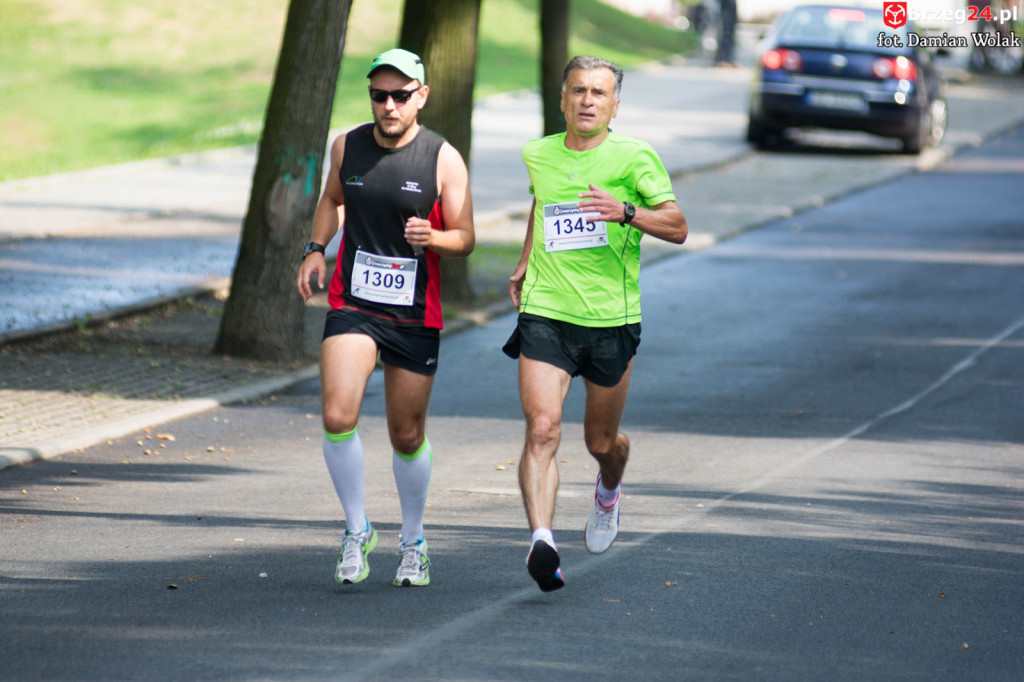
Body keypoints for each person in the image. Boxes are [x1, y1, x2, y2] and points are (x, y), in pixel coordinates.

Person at [503, 55, 687, 592]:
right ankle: (542, 539)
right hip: (547, 309)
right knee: (542, 428)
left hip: (611, 319)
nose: (587, 100)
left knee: (600, 443)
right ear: (562, 99)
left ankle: (609, 489)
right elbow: (546, 203)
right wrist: (524, 258)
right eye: (578, 90)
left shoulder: (635, 157)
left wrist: (626, 212)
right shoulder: (538, 153)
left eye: (598, 93)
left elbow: (677, 227)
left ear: (614, 105)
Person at [296, 48, 475, 587]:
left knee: (405, 432)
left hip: (415, 313)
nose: (390, 105)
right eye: (380, 95)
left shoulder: (443, 157)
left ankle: (414, 539)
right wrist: (314, 247)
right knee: (336, 416)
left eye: (401, 95)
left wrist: (436, 237)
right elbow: (330, 199)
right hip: (353, 303)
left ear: (421, 95)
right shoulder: (347, 146)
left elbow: (466, 238)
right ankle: (356, 530)